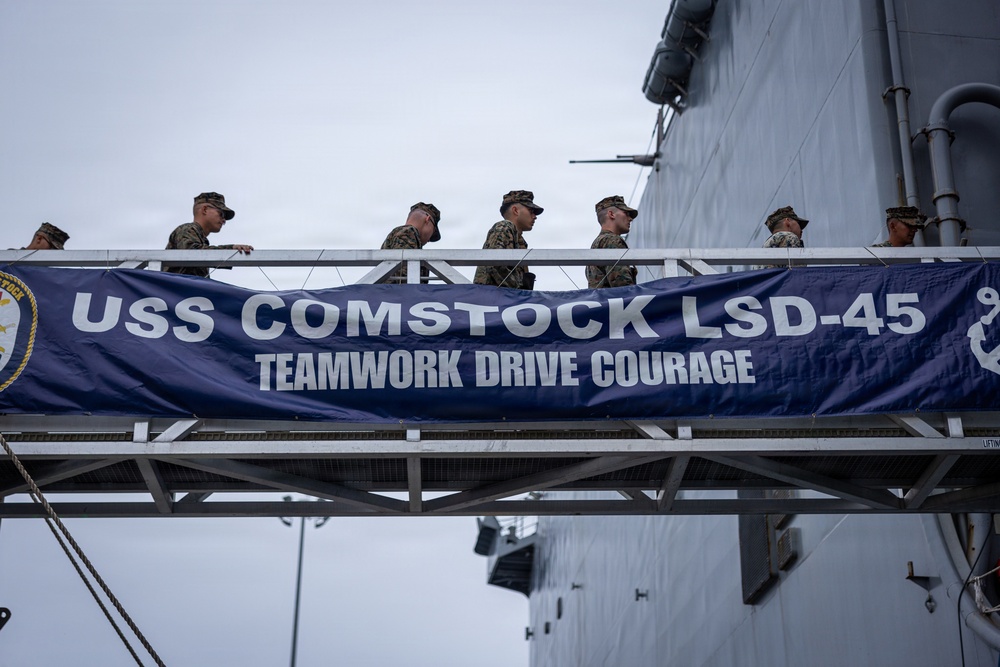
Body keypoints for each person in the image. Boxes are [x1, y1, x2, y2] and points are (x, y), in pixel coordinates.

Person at [164, 192, 253, 277]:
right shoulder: (187, 229)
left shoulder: (199, 237)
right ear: (205, 209)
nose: (224, 220)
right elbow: (191, 253)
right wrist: (230, 249)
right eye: (221, 214)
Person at [473, 190, 543, 289]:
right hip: (494, 298)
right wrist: (519, 291)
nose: (534, 217)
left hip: (502, 299)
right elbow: (495, 264)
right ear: (515, 210)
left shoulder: (520, 241)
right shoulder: (505, 227)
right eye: (531, 211)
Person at [379, 202, 441, 283]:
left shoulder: (401, 233)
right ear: (428, 219)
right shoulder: (408, 232)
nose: (429, 240)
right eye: (432, 232)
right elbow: (405, 280)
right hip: (398, 294)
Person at [586, 195, 638, 288]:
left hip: (601, 301)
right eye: (626, 213)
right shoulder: (612, 241)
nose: (630, 219)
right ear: (611, 214)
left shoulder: (597, 243)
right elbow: (623, 287)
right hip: (617, 301)